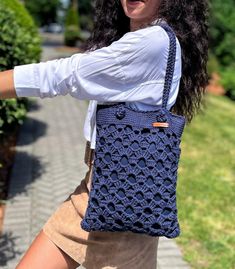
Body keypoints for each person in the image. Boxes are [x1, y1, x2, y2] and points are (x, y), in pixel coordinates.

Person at [0, 0, 209, 268]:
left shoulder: (153, 42)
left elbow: (66, 74)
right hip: (100, 191)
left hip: (123, 205)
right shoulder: (135, 37)